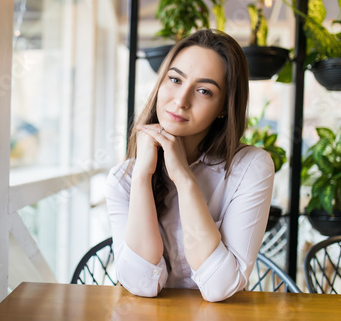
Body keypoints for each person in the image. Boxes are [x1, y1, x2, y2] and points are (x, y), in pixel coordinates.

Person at [105, 29, 274, 302]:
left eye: (204, 91)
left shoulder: (251, 168)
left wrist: (184, 178)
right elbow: (140, 284)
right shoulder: (123, 178)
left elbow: (220, 287)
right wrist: (142, 177)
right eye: (175, 79)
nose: (181, 101)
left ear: (224, 107)